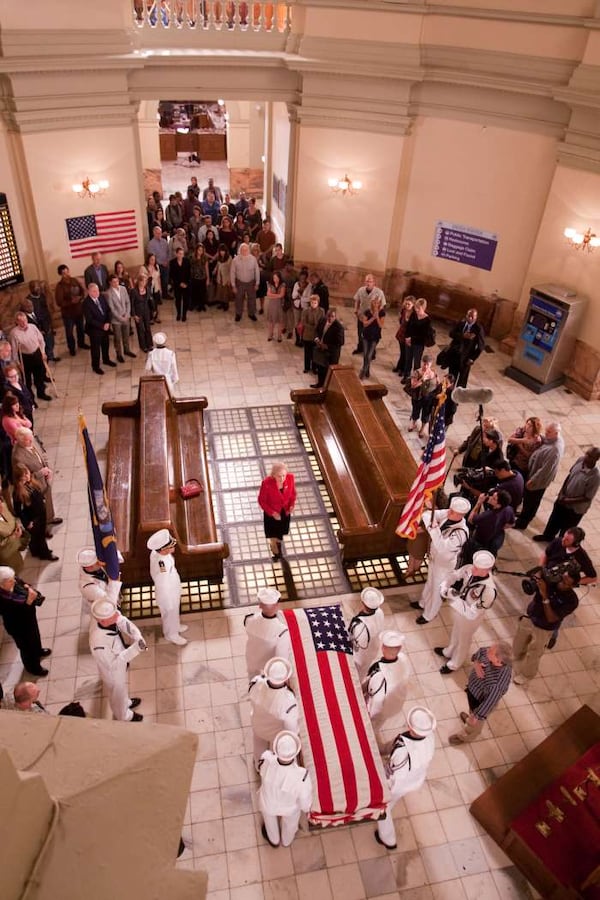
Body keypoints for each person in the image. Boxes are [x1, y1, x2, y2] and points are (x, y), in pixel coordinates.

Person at [375, 706, 437, 850]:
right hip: (415, 779)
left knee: (382, 809)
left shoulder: (403, 749)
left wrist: (385, 783)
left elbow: (395, 772)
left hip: (400, 783)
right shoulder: (430, 738)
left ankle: (388, 838)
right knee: (391, 803)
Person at [512, 565, 580, 684]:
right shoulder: (552, 580)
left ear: (573, 586)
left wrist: (544, 595)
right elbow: (536, 570)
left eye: (565, 583)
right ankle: (515, 662)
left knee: (534, 654)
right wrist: (538, 576)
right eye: (562, 579)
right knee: (518, 644)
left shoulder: (572, 601)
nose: (561, 583)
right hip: (530, 618)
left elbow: (551, 618)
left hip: (544, 628)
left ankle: (527, 675)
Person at [435, 550, 497, 673]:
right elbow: (454, 575)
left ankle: (455, 663)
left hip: (470, 619)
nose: (473, 569)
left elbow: (473, 613)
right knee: (456, 631)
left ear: (487, 570)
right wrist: (444, 586)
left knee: (464, 639)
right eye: (474, 565)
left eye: (478, 568)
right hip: (459, 610)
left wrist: (453, 597)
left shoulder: (489, 590)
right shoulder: (470, 569)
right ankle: (449, 651)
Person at [412, 497, 471, 625]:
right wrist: (433, 526)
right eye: (450, 509)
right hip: (434, 559)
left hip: (444, 565)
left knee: (437, 590)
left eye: (452, 511)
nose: (448, 512)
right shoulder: (449, 514)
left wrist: (433, 527)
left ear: (461, 515)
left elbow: (442, 548)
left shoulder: (461, 533)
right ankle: (422, 603)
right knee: (429, 583)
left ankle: (429, 615)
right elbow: (427, 514)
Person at [89, 594, 147, 721]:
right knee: (117, 694)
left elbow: (124, 623)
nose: (118, 616)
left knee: (122, 691)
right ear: (102, 621)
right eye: (114, 615)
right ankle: (124, 716)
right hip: (112, 672)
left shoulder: (108, 619)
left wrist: (137, 636)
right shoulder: (98, 643)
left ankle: (126, 703)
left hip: (120, 662)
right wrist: (135, 649)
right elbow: (114, 664)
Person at [258, 730, 313, 849]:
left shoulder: (266, 757)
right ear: (295, 753)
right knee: (290, 826)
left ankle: (274, 840)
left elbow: (260, 768)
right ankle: (286, 841)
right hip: (290, 808)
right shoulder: (302, 776)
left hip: (269, 802)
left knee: (270, 822)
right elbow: (305, 805)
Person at [448, 644, 512, 745]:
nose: (487, 650)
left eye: (491, 652)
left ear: (498, 661)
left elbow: (489, 703)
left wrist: (476, 716)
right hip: (474, 690)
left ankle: (466, 736)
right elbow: (480, 652)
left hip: (480, 703)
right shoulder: (489, 653)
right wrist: (476, 664)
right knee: (471, 712)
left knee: (475, 725)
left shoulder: (497, 684)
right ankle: (470, 718)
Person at [533, 447, 600, 542]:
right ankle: (547, 536)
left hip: (575, 509)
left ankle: (560, 544)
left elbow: (587, 497)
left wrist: (568, 500)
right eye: (587, 454)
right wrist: (562, 493)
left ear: (596, 459)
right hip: (563, 499)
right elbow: (569, 476)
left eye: (590, 456)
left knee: (567, 528)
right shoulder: (580, 460)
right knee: (554, 520)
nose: (586, 457)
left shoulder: (595, 476)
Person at [0, 565, 51, 676]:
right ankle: (33, 668)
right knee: (27, 648)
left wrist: (28, 587)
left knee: (35, 635)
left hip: (29, 617)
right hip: (18, 625)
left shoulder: (13, 580)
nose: (14, 581)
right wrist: (29, 601)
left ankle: (38, 651)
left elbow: (21, 582)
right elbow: (15, 614)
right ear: (1, 584)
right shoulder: (2, 600)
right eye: (10, 581)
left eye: (13, 578)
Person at [249, 656, 299, 766]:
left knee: (258, 745)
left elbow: (252, 698)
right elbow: (291, 728)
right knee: (274, 754)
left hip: (257, 723)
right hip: (275, 734)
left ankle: (258, 765)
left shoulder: (256, 682)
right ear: (285, 679)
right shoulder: (289, 701)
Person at [514, 422, 564, 529]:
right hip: (535, 475)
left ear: (556, 433)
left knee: (531, 502)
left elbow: (545, 470)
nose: (546, 433)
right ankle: (524, 514)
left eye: (548, 432)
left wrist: (532, 480)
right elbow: (546, 440)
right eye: (546, 431)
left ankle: (523, 522)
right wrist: (540, 437)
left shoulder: (555, 450)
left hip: (538, 481)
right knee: (529, 500)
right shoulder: (552, 439)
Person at [365, 631, 411, 738]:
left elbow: (377, 701)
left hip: (381, 708)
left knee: (373, 725)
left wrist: (370, 716)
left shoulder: (379, 673)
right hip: (395, 703)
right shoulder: (403, 659)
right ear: (399, 649)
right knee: (380, 723)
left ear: (383, 648)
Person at [12, 427, 61, 527]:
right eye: (28, 440)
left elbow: (41, 455)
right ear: (20, 441)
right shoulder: (18, 457)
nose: (31, 441)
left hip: (44, 479)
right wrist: (41, 473)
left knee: (48, 500)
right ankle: (44, 525)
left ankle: (50, 518)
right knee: (39, 507)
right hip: (34, 485)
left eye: (31, 439)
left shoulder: (30, 442)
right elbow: (24, 476)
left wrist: (47, 468)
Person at [147, 529, 188, 646]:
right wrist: (167, 601)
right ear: (163, 549)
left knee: (175, 611)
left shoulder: (160, 553)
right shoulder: (161, 565)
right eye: (170, 546)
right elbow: (162, 585)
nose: (173, 546)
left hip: (172, 586)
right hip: (167, 593)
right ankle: (171, 634)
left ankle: (176, 626)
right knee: (169, 613)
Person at [12, 463, 57, 561]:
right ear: (18, 479)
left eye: (27, 473)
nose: (27, 477)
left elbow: (37, 493)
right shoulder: (17, 493)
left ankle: (35, 550)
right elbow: (19, 510)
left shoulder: (31, 483)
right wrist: (28, 522)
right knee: (40, 537)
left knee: (37, 536)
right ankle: (45, 554)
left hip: (40, 513)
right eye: (23, 477)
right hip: (33, 520)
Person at [244, 587, 290, 679]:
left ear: (260, 605)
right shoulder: (282, 631)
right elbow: (281, 657)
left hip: (251, 657)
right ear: (277, 605)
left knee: (252, 676)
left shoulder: (249, 619)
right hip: (268, 663)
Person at [345, 586, 385, 683]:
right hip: (372, 650)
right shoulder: (380, 612)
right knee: (363, 671)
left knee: (356, 675)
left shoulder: (360, 626)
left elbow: (356, 643)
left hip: (359, 657)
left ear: (362, 603)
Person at [9, 312, 52, 402]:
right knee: (27, 380)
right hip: (25, 358)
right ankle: (31, 399)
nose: (24, 323)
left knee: (39, 376)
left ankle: (41, 393)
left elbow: (41, 340)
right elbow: (14, 350)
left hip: (37, 354)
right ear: (17, 322)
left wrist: (43, 352)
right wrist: (17, 363)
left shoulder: (32, 327)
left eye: (25, 320)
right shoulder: (14, 333)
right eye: (21, 321)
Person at [258, 462, 296, 561]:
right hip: (272, 513)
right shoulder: (266, 484)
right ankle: (273, 543)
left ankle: (278, 541)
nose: (282, 478)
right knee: (273, 531)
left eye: (284, 475)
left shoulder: (290, 478)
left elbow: (293, 494)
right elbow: (261, 501)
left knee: (282, 529)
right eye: (279, 476)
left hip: (284, 511)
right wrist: (272, 513)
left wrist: (291, 505)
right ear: (273, 475)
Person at [466, 488, 514, 559]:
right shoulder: (509, 509)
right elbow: (511, 524)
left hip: (481, 540)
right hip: (495, 537)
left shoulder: (488, 515)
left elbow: (470, 520)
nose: (490, 498)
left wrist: (479, 502)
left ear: (498, 505)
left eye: (494, 498)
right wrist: (498, 527)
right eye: (492, 496)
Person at [53, 264, 89, 357]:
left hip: (78, 310)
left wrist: (80, 298)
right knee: (69, 332)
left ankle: (81, 343)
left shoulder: (74, 280)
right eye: (64, 273)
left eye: (67, 271)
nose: (66, 274)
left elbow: (82, 291)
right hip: (68, 314)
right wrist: (71, 302)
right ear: (61, 274)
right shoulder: (60, 286)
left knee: (80, 328)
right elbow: (59, 302)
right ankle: (72, 348)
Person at [82, 283, 116, 375]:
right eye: (94, 291)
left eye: (97, 290)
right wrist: (102, 326)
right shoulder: (86, 303)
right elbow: (89, 319)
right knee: (96, 349)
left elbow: (108, 310)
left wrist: (108, 322)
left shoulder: (101, 297)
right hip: (94, 330)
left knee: (106, 344)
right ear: (89, 292)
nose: (97, 293)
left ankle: (106, 359)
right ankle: (96, 367)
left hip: (105, 326)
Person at [446, 308, 485, 388]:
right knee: (451, 379)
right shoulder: (461, 323)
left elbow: (481, 347)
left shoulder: (478, 328)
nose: (470, 318)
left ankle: (457, 399)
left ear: (476, 317)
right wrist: (462, 336)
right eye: (468, 315)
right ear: (466, 315)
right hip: (454, 355)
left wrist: (472, 358)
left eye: (472, 316)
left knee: (462, 382)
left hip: (466, 359)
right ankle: (448, 398)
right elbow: (451, 333)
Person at [24, 283, 59, 362]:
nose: (38, 289)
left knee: (50, 341)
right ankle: (45, 358)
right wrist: (39, 329)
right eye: (36, 288)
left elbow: (46, 309)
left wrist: (49, 323)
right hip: (38, 326)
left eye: (38, 287)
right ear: (31, 289)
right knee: (43, 343)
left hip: (46, 322)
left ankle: (51, 356)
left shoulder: (42, 296)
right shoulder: (28, 300)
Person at [352, 274, 386, 355]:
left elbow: (382, 305)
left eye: (370, 281)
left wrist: (376, 315)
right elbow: (357, 301)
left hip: (373, 316)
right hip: (362, 315)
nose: (368, 283)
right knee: (360, 333)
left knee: (372, 335)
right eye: (367, 281)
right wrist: (356, 311)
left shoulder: (379, 292)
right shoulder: (360, 290)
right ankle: (360, 348)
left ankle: (372, 352)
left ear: (374, 282)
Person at [104, 274, 135, 363]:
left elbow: (128, 302)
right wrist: (120, 318)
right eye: (114, 282)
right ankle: (119, 354)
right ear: (110, 283)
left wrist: (127, 314)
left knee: (126, 335)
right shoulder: (108, 293)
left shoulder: (123, 289)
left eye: (117, 281)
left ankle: (127, 350)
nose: (116, 283)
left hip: (126, 316)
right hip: (116, 320)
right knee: (117, 338)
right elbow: (112, 308)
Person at [311, 308, 345, 389]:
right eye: (328, 316)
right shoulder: (322, 320)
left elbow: (340, 342)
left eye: (332, 316)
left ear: (335, 317)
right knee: (320, 367)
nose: (330, 318)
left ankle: (327, 388)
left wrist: (327, 346)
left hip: (331, 353)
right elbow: (316, 330)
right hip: (320, 348)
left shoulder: (339, 327)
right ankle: (320, 383)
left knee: (328, 371)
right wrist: (316, 338)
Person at [406, 354, 438, 438]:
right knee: (415, 410)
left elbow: (436, 384)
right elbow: (413, 385)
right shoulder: (417, 372)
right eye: (424, 364)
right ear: (422, 363)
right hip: (418, 397)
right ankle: (413, 423)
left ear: (431, 364)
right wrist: (422, 379)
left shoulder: (433, 373)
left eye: (428, 364)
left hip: (428, 398)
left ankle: (422, 429)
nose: (426, 366)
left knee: (426, 414)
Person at [402, 298, 432, 380]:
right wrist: (407, 338)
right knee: (408, 360)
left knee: (416, 363)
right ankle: (406, 376)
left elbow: (424, 335)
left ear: (424, 308)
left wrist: (412, 339)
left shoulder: (427, 320)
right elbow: (408, 327)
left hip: (418, 344)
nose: (417, 310)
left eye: (419, 308)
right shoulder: (413, 315)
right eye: (416, 307)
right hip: (409, 341)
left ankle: (414, 379)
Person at [230, 243, 260, 322]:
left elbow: (257, 271)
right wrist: (233, 285)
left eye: (246, 250)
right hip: (239, 283)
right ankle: (238, 314)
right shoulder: (235, 260)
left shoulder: (253, 259)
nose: (244, 251)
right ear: (240, 250)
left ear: (248, 250)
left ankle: (251, 314)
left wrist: (257, 283)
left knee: (252, 299)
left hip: (251, 282)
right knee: (239, 299)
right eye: (242, 250)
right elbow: (232, 272)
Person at [0, 496, 29, 572]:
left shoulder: (2, 507)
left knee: (18, 567)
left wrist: (17, 525)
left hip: (14, 550)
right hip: (5, 556)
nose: (1, 505)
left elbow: (11, 519)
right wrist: (14, 536)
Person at [359, 296, 385, 380]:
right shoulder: (367, 311)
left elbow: (381, 325)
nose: (376, 304)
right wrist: (373, 318)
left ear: (380, 303)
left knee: (369, 355)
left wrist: (377, 316)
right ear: (372, 302)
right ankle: (367, 370)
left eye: (377, 302)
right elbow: (365, 324)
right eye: (374, 302)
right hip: (366, 335)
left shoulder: (382, 313)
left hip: (375, 336)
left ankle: (363, 371)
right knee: (365, 354)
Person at [300, 294, 324, 374]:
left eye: (315, 303)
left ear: (318, 303)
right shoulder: (306, 311)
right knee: (307, 352)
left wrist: (318, 328)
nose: (313, 304)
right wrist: (313, 327)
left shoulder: (321, 311)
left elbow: (323, 321)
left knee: (315, 352)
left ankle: (314, 368)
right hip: (307, 334)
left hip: (316, 335)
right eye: (312, 303)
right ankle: (307, 367)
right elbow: (303, 322)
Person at [131, 274, 154, 353]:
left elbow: (150, 300)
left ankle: (150, 344)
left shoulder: (147, 289)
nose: (144, 282)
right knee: (140, 330)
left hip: (146, 311)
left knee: (148, 328)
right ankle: (143, 346)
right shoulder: (134, 291)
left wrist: (153, 310)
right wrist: (134, 315)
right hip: (138, 313)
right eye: (142, 280)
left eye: (145, 281)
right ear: (139, 281)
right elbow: (132, 304)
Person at [393, 296, 415, 375]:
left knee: (406, 354)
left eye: (409, 304)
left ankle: (403, 370)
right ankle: (399, 367)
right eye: (406, 304)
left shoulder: (414, 314)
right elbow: (401, 322)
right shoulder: (403, 310)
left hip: (408, 336)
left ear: (413, 304)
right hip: (401, 334)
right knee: (402, 352)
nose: (407, 305)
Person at [146, 225, 170, 299]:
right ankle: (158, 297)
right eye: (157, 233)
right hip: (157, 265)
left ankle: (165, 294)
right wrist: (161, 262)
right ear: (154, 233)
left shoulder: (164, 241)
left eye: (160, 233)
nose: (159, 234)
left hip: (166, 264)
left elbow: (168, 252)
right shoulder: (151, 244)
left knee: (165, 281)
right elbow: (152, 257)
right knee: (157, 282)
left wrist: (167, 261)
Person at [139, 253, 163, 323]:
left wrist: (160, 288)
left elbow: (158, 278)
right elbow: (141, 279)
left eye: (154, 260)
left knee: (155, 303)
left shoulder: (157, 267)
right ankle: (150, 318)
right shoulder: (143, 268)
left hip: (156, 287)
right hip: (147, 288)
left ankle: (156, 317)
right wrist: (148, 275)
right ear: (148, 260)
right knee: (149, 303)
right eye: (151, 259)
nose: (153, 261)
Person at [169, 246, 191, 322]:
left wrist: (186, 283)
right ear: (176, 254)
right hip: (177, 285)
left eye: (182, 254)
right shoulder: (172, 262)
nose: (181, 255)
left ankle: (184, 314)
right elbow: (172, 275)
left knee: (185, 300)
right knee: (178, 300)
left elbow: (189, 274)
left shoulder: (187, 261)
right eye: (180, 253)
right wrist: (179, 283)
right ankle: (179, 313)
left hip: (186, 284)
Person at [265, 271, 286, 342]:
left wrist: (273, 295)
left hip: (280, 305)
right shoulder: (270, 284)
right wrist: (278, 296)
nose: (275, 279)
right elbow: (268, 294)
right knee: (271, 321)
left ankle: (279, 336)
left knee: (280, 321)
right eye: (274, 278)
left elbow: (282, 295)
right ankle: (270, 335)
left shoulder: (282, 285)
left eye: (277, 278)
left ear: (279, 278)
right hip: (272, 305)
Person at [189, 243, 209, 311]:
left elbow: (206, 268)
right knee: (194, 292)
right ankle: (194, 304)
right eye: (199, 250)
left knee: (202, 292)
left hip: (202, 277)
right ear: (196, 250)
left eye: (202, 250)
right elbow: (190, 267)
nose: (200, 252)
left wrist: (208, 278)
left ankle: (201, 305)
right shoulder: (192, 257)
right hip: (194, 277)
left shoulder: (205, 257)